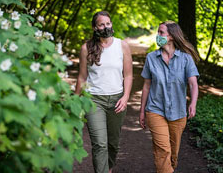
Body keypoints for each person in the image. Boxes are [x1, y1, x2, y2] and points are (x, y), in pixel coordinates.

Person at [75, 11, 133, 173]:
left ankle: (108, 168)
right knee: (100, 144)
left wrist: (125, 96)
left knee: (112, 144)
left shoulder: (122, 46)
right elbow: (81, 78)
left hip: (116, 100)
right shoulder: (86, 48)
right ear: (94, 27)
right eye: (101, 24)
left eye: (108, 23)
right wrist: (73, 101)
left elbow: (128, 75)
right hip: (94, 101)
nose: (105, 27)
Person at [139, 21, 200, 173]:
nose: (157, 36)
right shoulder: (151, 58)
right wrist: (142, 111)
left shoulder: (186, 59)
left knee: (173, 154)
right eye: (158, 32)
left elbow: (193, 84)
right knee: (162, 150)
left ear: (171, 36)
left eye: (161, 32)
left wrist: (193, 103)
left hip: (178, 112)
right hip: (155, 109)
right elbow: (146, 86)